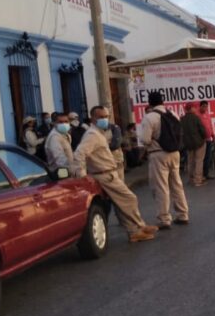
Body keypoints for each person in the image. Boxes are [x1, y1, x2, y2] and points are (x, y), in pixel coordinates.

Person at [74, 106, 157, 243]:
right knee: (129, 199)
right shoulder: (92, 135)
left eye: (106, 116)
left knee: (120, 204)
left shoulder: (99, 133)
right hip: (104, 174)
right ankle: (138, 226)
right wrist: (82, 175)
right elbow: (79, 154)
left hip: (108, 172)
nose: (104, 119)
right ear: (92, 118)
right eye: (100, 117)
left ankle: (135, 230)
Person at [140, 92, 189, 229]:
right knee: (177, 184)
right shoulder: (173, 114)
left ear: (150, 103)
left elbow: (145, 139)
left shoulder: (149, 117)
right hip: (175, 153)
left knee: (161, 187)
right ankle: (183, 214)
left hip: (158, 154)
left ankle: (164, 219)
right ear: (163, 101)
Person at [181, 103, 207, 187]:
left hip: (188, 144)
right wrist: (204, 137)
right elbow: (202, 130)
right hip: (199, 142)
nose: (196, 109)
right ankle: (198, 180)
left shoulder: (182, 119)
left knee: (190, 161)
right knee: (199, 161)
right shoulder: (196, 118)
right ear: (191, 108)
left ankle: (191, 179)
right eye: (194, 107)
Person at [198, 100, 215, 181]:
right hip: (201, 140)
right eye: (204, 106)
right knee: (201, 158)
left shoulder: (207, 115)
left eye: (206, 106)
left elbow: (210, 126)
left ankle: (206, 173)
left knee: (208, 157)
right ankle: (200, 175)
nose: (205, 108)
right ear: (200, 106)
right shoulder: (197, 115)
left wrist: (213, 135)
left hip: (209, 139)